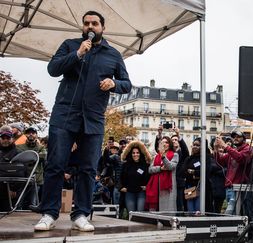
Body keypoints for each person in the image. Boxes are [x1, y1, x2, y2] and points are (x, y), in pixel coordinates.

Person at [34, 10, 132, 232]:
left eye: (94, 23)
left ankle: (81, 214)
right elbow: (52, 69)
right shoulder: (70, 45)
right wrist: (77, 54)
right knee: (56, 165)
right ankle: (49, 213)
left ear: (102, 27)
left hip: (94, 118)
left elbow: (127, 83)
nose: (90, 27)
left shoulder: (114, 54)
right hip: (64, 115)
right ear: (82, 26)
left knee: (88, 168)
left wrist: (114, 84)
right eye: (86, 23)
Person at [214, 131, 253, 218]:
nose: (235, 138)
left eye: (238, 136)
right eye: (234, 137)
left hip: (239, 187)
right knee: (234, 214)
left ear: (244, 139)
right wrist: (216, 148)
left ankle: (235, 230)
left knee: (229, 213)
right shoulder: (233, 151)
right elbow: (220, 161)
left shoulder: (248, 149)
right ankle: (236, 230)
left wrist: (225, 146)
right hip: (230, 187)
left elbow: (241, 158)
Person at [16, 127, 47, 209]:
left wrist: (28, 157)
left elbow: (43, 156)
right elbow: (18, 157)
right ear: (25, 135)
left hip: (36, 179)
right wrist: (35, 156)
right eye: (29, 133)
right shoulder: (19, 147)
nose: (31, 134)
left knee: (33, 204)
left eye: (33, 133)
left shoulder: (41, 147)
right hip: (22, 178)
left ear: (36, 135)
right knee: (19, 203)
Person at [181, 137, 214, 212]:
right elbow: (183, 171)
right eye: (194, 145)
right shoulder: (189, 158)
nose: (195, 146)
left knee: (199, 208)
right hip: (189, 187)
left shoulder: (206, 158)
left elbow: (206, 171)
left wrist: (193, 172)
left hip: (201, 187)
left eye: (198, 145)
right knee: (190, 207)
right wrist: (195, 173)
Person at [146, 136, 178, 211]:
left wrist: (163, 156)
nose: (164, 144)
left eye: (166, 142)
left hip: (167, 188)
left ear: (170, 144)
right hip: (156, 186)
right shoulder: (156, 156)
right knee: (154, 211)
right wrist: (160, 168)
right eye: (162, 142)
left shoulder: (175, 155)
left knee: (167, 211)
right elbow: (150, 169)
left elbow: (171, 166)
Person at [120, 141, 152, 212]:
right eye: (133, 153)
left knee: (140, 213)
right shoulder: (126, 165)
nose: (135, 154)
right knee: (131, 213)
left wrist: (147, 186)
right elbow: (121, 177)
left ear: (140, 154)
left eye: (137, 153)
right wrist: (122, 187)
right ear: (130, 154)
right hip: (129, 192)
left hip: (141, 192)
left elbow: (150, 178)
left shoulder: (145, 165)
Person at [0, 125, 20, 211]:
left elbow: (20, 172)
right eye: (3, 138)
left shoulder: (18, 153)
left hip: (10, 189)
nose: (5, 140)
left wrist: (13, 188)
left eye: (8, 138)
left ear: (12, 139)